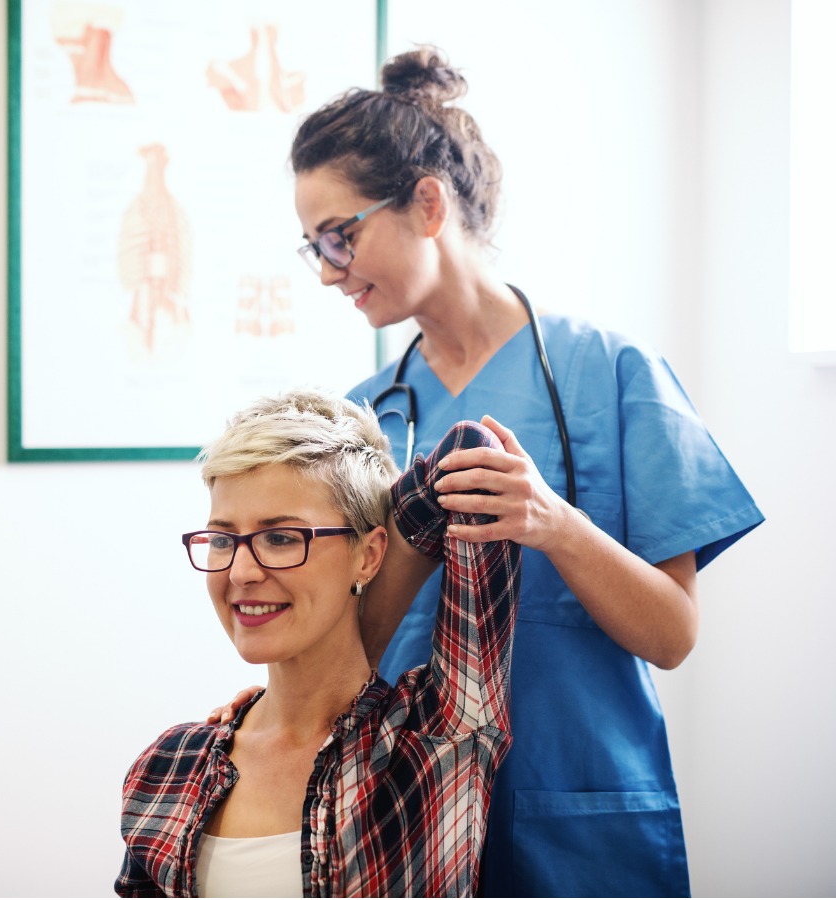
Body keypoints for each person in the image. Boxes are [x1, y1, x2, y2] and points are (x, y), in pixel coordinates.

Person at [280, 45, 764, 897]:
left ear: (426, 203)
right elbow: (348, 649)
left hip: (580, 824)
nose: (327, 269)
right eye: (312, 245)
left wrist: (553, 523)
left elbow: (674, 637)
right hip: (407, 821)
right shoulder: (365, 416)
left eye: (339, 235)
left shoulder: (612, 371)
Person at [116, 389, 521, 897]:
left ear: (370, 555)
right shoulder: (169, 764)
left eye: (281, 538)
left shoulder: (438, 737)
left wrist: (357, 641)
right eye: (223, 538)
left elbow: (468, 452)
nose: (240, 572)